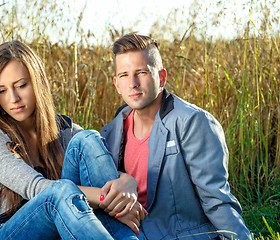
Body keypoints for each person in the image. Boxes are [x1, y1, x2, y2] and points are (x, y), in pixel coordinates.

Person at [0, 40, 145, 240]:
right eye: (1, 90)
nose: (13, 98)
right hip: (0, 232)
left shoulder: (63, 129)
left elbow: (96, 166)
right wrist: (110, 199)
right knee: (58, 193)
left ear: (37, 83)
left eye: (21, 85)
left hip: (56, 227)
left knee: (88, 138)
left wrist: (127, 182)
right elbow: (37, 188)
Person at [101, 33, 252, 240]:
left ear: (161, 77)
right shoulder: (111, 131)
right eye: (124, 75)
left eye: (142, 72)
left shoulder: (193, 122)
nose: (133, 83)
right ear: (117, 84)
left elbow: (216, 198)